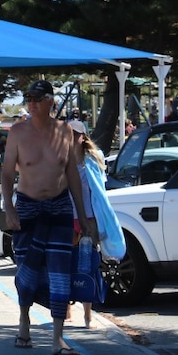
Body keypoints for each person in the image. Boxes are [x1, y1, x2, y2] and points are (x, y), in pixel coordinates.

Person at [0, 80, 90, 355]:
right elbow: (6, 173)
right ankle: (24, 320)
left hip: (60, 206)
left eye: (37, 98)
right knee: (27, 270)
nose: (32, 103)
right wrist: (9, 207)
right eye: (28, 98)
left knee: (60, 271)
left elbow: (72, 175)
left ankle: (57, 337)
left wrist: (84, 217)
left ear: (51, 101)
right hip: (27, 206)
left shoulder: (65, 132)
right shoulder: (17, 132)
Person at [66, 120, 105, 329]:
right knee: (66, 264)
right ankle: (67, 309)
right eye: (68, 133)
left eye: (75, 134)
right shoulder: (61, 159)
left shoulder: (92, 160)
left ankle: (88, 316)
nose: (72, 137)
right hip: (66, 217)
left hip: (88, 217)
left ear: (83, 137)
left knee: (87, 265)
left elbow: (100, 193)